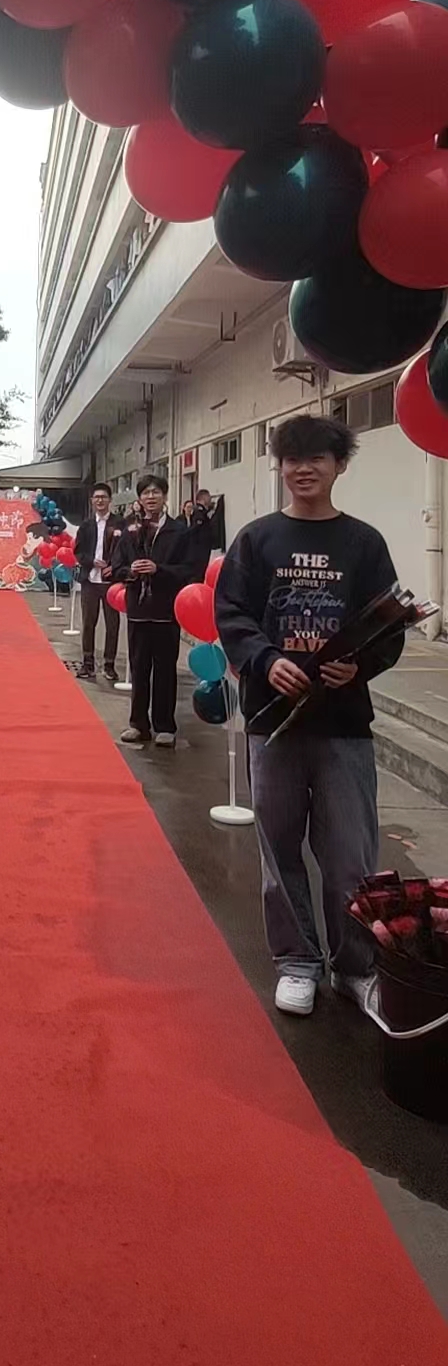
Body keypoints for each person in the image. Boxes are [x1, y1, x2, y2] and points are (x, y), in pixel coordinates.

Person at [215, 414, 403, 1019]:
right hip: (273, 721)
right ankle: (297, 962)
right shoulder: (257, 540)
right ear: (280, 467)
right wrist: (265, 659)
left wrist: (361, 666)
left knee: (351, 854)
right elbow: (232, 612)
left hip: (343, 723)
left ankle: (354, 967)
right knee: (279, 849)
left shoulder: (365, 544)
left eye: (317, 458)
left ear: (339, 466)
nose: (303, 469)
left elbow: (388, 625)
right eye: (292, 459)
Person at [114, 473, 190, 748]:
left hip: (166, 610)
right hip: (138, 609)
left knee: (165, 669)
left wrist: (160, 570)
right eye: (146, 492)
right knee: (139, 668)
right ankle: (138, 724)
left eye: (156, 492)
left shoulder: (179, 531)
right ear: (140, 498)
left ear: (165, 496)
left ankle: (165, 726)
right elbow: (116, 567)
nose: (151, 497)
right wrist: (130, 571)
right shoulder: (131, 531)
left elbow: (190, 570)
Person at [73, 482, 125, 681]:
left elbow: (126, 550)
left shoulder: (120, 524)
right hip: (90, 581)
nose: (100, 500)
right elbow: (78, 551)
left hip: (111, 583)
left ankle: (109, 664)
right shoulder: (86, 526)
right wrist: (91, 561)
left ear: (110, 500)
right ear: (92, 501)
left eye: (104, 497)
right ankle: (87, 663)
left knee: (112, 624)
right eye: (97, 497)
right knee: (88, 622)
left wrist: (114, 566)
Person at [183, 487, 227, 582]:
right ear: (203, 499)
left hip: (202, 549)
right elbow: (196, 529)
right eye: (208, 497)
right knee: (198, 574)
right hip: (199, 551)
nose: (210, 499)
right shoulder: (199, 512)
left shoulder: (203, 512)